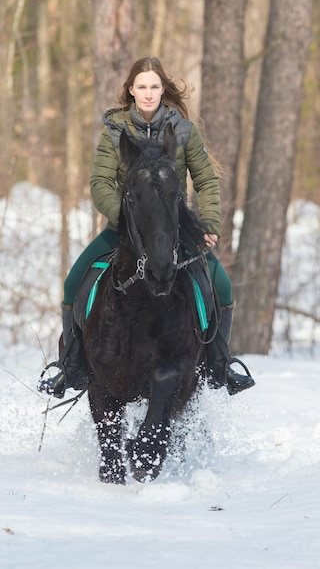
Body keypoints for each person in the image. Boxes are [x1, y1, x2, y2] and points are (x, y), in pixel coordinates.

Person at [38, 56, 255, 398]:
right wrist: (123, 219)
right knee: (71, 286)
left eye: (155, 86)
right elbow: (100, 182)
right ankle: (72, 365)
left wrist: (209, 223)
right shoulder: (114, 130)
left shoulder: (184, 131)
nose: (149, 93)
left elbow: (206, 181)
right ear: (131, 90)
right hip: (122, 232)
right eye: (142, 87)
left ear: (163, 89)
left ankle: (220, 363)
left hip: (174, 234)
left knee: (223, 288)